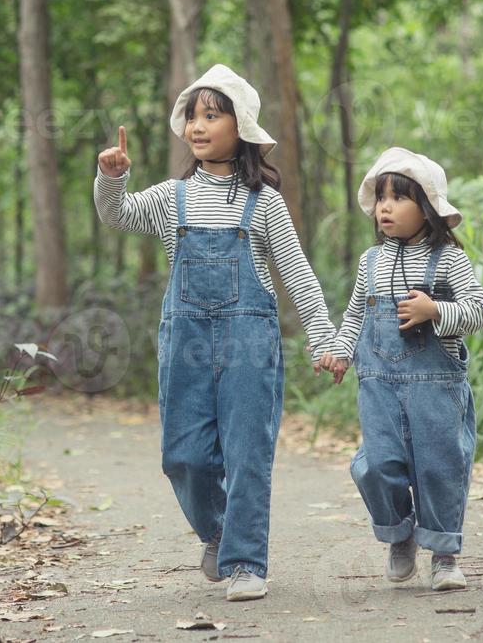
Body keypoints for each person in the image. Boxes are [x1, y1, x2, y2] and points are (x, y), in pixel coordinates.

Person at [94, 64, 334, 602]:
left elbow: (296, 271)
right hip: (187, 345)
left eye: (212, 115)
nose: (198, 127)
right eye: (193, 117)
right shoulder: (169, 197)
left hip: (251, 344)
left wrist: (325, 339)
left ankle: (248, 561)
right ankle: (218, 531)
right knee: (184, 456)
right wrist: (112, 177)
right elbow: (117, 216)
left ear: (240, 129)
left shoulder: (263, 202)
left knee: (248, 452)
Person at [318, 147, 483, 591]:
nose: (385, 207)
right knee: (375, 466)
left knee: (439, 467)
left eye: (398, 198)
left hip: (436, 387)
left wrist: (435, 309)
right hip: (378, 385)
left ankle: (445, 554)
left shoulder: (448, 259)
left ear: (428, 208)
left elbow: (478, 312)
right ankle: (399, 533)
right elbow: (355, 316)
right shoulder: (370, 262)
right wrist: (340, 351)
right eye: (380, 198)